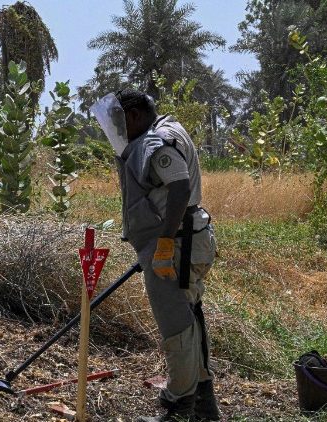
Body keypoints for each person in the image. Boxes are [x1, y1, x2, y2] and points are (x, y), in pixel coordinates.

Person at [92, 89, 220, 421]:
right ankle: (204, 406)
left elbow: (178, 186)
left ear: (133, 115)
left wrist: (163, 245)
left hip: (177, 245)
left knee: (177, 327)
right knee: (190, 321)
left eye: (119, 122)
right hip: (187, 240)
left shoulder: (155, 142)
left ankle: (180, 406)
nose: (118, 131)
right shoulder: (168, 128)